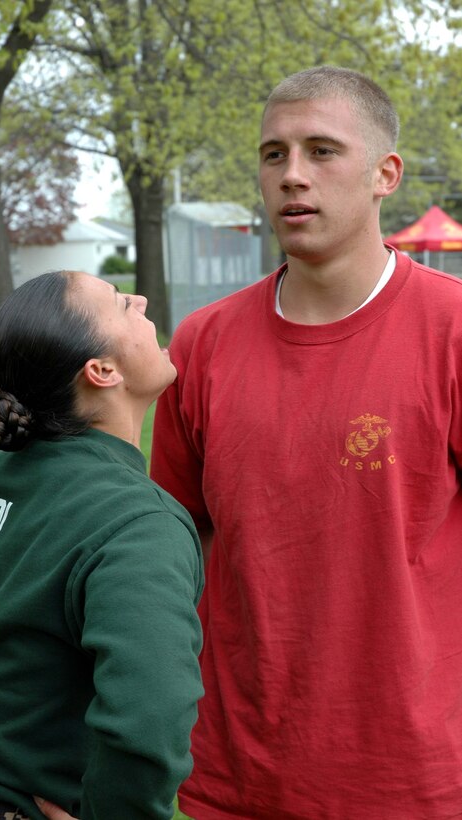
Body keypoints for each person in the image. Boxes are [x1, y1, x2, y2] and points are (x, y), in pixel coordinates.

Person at [149, 65, 462, 819]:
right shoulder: (203, 343)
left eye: (321, 151)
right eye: (273, 154)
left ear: (384, 173)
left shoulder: (449, 331)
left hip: (410, 777)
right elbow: (165, 548)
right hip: (235, 769)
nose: (292, 175)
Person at [0, 270, 204, 820]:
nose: (140, 299)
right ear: (102, 371)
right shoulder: (140, 523)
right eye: (122, 304)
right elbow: (147, 716)